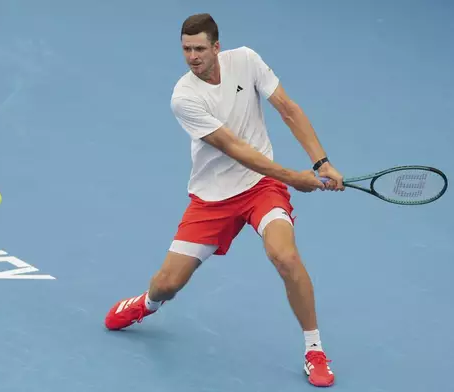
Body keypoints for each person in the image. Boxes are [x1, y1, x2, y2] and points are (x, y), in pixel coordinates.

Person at [104, 13, 344, 388]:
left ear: (217, 47)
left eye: (200, 48)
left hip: (261, 187)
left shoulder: (246, 60)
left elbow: (288, 108)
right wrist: (294, 177)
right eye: (186, 49)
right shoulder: (184, 97)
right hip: (212, 199)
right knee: (167, 284)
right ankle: (145, 305)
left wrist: (321, 161)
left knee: (285, 256)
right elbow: (234, 148)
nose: (192, 56)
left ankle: (314, 349)